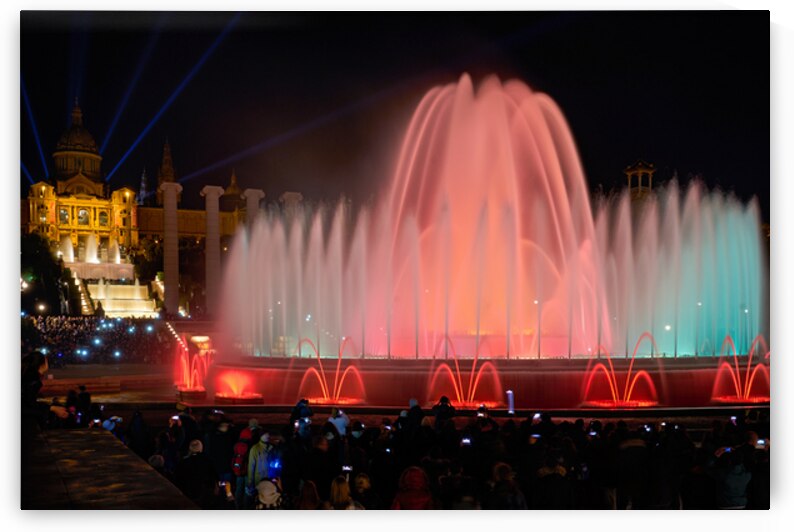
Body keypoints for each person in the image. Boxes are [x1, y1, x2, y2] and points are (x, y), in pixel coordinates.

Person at [22, 351, 69, 437]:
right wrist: (52, 408)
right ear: (41, 364)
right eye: (46, 361)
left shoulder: (27, 377)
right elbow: (27, 405)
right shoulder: (33, 381)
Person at [174, 439, 219, 509]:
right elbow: (214, 475)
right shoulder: (208, 460)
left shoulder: (183, 462)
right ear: (201, 448)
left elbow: (177, 478)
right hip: (204, 492)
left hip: (188, 492)